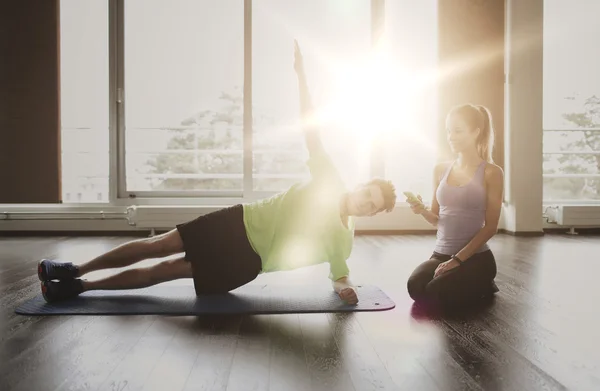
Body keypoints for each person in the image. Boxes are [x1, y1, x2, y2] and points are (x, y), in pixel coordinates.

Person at [37, 41, 397, 304]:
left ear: (373, 214)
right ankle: (74, 269)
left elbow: (339, 273)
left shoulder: (343, 238)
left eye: (372, 207)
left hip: (247, 261)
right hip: (237, 222)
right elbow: (311, 128)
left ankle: (80, 288)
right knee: (158, 245)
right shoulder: (329, 178)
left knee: (165, 271)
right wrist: (302, 78)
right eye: (368, 195)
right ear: (362, 185)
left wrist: (344, 289)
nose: (365, 204)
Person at [405, 103, 504, 309]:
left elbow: (491, 227)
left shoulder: (492, 173)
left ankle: (484, 283)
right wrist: (422, 210)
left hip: (475, 259)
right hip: (440, 254)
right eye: (449, 130)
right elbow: (436, 218)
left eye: (458, 131)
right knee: (415, 287)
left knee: (435, 292)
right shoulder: (440, 169)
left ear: (476, 132)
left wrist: (456, 261)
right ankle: (465, 283)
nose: (451, 136)